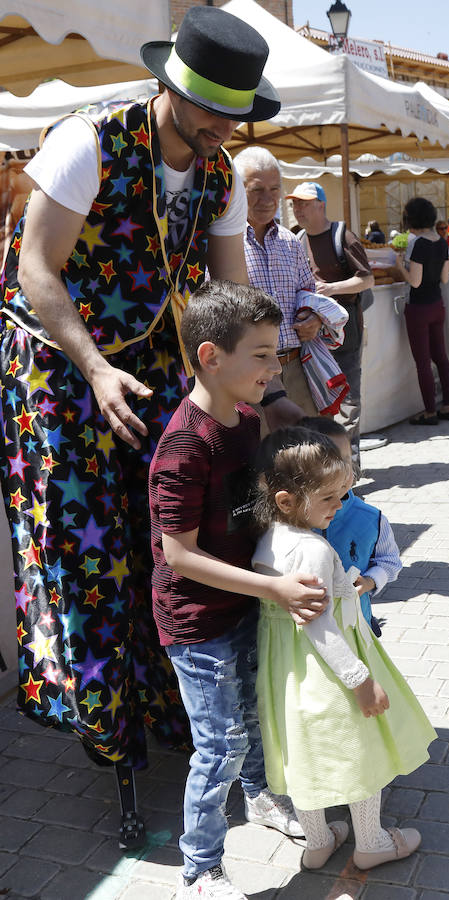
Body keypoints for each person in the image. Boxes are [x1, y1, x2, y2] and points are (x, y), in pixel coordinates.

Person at [0, 4, 285, 849]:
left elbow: (226, 299)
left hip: (160, 362)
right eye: (209, 111)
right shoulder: (87, 142)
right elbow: (34, 268)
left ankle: (174, 708)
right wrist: (92, 366)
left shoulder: (221, 172)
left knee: (181, 531)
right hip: (62, 364)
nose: (221, 129)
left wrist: (257, 386)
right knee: (92, 548)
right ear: (169, 86)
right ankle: (106, 729)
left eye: (237, 113)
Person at [149, 282, 331, 900]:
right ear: (210, 357)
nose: (275, 366)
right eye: (261, 354)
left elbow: (261, 511)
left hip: (248, 601)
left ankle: (258, 798)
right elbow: (178, 555)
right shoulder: (181, 449)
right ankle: (199, 868)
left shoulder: (249, 421)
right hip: (196, 619)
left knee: (254, 712)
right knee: (218, 743)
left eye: (275, 351)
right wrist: (274, 588)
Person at [251, 427, 437, 872]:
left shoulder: (266, 540)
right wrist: (361, 680)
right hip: (327, 669)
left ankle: (318, 842)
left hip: (286, 672)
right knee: (360, 752)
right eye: (332, 498)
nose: (341, 505)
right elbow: (320, 628)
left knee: (304, 755)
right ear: (287, 501)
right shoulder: (312, 549)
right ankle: (370, 840)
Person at [234, 147, 348, 419]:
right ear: (237, 191)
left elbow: (308, 294)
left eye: (274, 189)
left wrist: (314, 318)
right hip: (250, 374)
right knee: (264, 455)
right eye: (257, 190)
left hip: (298, 367)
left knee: (308, 450)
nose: (268, 199)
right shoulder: (225, 244)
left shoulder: (290, 242)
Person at [287, 182, 376, 465]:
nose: (297, 209)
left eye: (304, 203)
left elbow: (367, 279)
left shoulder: (342, 236)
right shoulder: (295, 239)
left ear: (321, 205)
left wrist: (332, 288)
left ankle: (350, 469)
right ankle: (327, 466)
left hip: (346, 331)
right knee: (318, 398)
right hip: (311, 335)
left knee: (348, 399)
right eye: (295, 204)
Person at [299, 416, 402, 637]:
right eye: (329, 462)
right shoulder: (289, 519)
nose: (343, 470)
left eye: (346, 459)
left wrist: (370, 580)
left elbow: (390, 561)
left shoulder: (371, 519)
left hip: (357, 627)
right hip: (304, 634)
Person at [390, 197, 449, 425]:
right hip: (437, 304)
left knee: (423, 362)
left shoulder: (417, 244)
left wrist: (399, 266)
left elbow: (415, 282)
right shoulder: (442, 242)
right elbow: (445, 278)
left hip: (418, 307)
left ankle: (429, 412)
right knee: (441, 357)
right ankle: (448, 405)